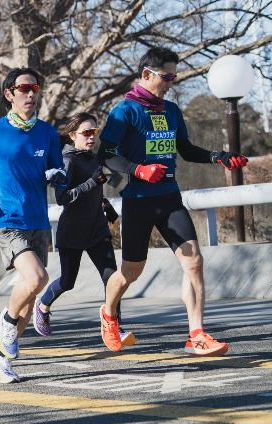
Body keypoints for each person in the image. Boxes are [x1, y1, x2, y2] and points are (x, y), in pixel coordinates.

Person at [97, 47, 248, 356]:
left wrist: (217, 157)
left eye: (173, 77)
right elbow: (106, 154)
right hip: (138, 200)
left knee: (194, 261)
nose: (170, 83)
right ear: (146, 75)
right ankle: (109, 314)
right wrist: (139, 169)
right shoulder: (125, 111)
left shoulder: (172, 111)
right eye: (166, 77)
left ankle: (196, 335)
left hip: (170, 198)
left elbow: (186, 149)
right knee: (131, 271)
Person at [0, 67, 68, 383]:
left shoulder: (48, 132)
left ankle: (0, 358)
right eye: (24, 88)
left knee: (30, 297)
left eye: (36, 88)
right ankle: (6, 322)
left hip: (38, 220)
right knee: (38, 278)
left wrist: (58, 175)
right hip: (7, 221)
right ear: (10, 94)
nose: (31, 94)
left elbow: (56, 168)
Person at [33, 113, 135, 346]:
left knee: (112, 279)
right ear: (72, 136)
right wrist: (92, 183)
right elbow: (62, 198)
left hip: (97, 229)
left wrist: (105, 204)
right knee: (68, 281)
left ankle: (113, 328)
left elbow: (110, 183)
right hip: (72, 231)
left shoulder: (96, 158)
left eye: (94, 132)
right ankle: (43, 305)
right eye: (86, 133)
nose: (92, 137)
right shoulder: (67, 161)